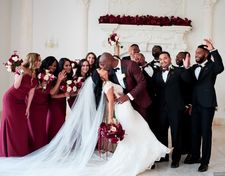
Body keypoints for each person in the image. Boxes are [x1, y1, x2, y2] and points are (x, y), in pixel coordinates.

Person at [0, 66, 170, 176]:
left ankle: (143, 157)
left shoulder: (109, 82)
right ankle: (138, 159)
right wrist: (111, 118)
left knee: (139, 133)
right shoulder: (108, 84)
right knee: (137, 134)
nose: (104, 70)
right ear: (101, 76)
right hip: (123, 111)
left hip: (127, 110)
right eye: (102, 70)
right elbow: (110, 102)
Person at [185, 39, 224, 172]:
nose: (196, 54)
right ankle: (195, 156)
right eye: (195, 52)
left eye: (199, 52)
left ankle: (205, 161)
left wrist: (213, 50)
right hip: (195, 104)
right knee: (194, 131)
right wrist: (186, 68)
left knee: (205, 132)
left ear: (206, 54)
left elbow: (221, 68)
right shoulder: (194, 67)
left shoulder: (213, 66)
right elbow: (189, 85)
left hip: (207, 104)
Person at [152, 51, 191, 168]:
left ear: (170, 59)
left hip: (175, 108)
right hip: (161, 108)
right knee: (161, 133)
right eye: (160, 59)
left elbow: (188, 80)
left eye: (165, 58)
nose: (162, 61)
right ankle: (164, 155)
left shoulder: (179, 71)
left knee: (176, 134)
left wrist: (187, 68)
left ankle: (176, 158)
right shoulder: (156, 73)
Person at [0, 53, 41, 157]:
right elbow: (16, 86)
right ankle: (9, 151)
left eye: (40, 60)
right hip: (11, 99)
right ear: (33, 60)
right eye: (38, 60)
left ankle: (20, 150)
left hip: (21, 101)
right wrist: (22, 73)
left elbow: (31, 92)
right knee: (11, 124)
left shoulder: (35, 73)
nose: (40, 62)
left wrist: (28, 107)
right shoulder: (21, 68)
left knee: (21, 125)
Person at [99, 52, 151, 119]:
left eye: (103, 64)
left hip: (140, 101)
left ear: (109, 61)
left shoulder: (131, 64)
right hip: (126, 106)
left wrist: (127, 96)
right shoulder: (109, 72)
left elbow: (142, 83)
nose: (102, 67)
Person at [28, 56, 59, 151]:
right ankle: (32, 148)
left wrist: (58, 80)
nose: (53, 67)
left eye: (55, 66)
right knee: (32, 127)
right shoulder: (38, 73)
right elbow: (30, 88)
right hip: (33, 104)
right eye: (51, 65)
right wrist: (41, 85)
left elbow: (52, 92)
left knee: (41, 128)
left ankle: (41, 148)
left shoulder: (53, 77)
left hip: (44, 105)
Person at [46, 58, 72, 142]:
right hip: (54, 104)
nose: (69, 67)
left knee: (61, 124)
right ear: (62, 66)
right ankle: (52, 145)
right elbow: (52, 94)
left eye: (70, 65)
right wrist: (59, 80)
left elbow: (68, 92)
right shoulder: (57, 76)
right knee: (55, 125)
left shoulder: (68, 77)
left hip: (62, 103)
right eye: (66, 65)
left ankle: (59, 144)